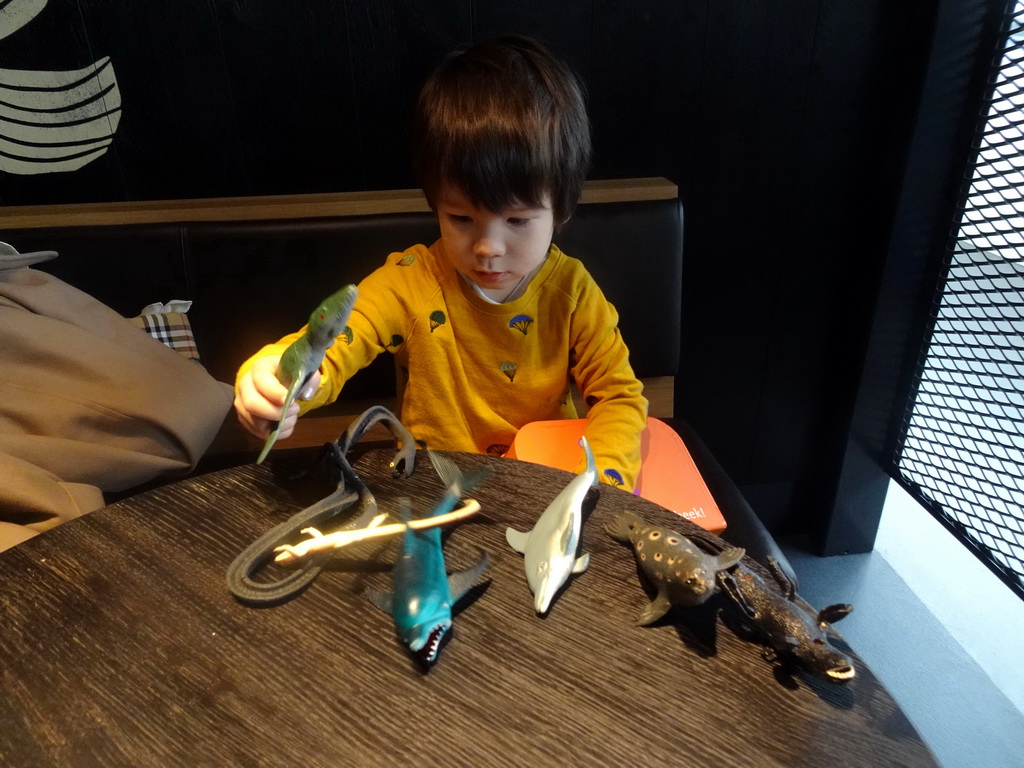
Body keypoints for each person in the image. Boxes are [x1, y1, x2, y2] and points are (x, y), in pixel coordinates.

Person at [233, 36, 648, 489]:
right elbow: (334, 344)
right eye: (461, 217)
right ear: (434, 205)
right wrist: (273, 377)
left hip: (544, 488)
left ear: (561, 212)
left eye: (517, 219)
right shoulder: (410, 282)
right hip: (431, 490)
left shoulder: (572, 293)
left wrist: (604, 483)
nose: (488, 246)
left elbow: (619, 396)